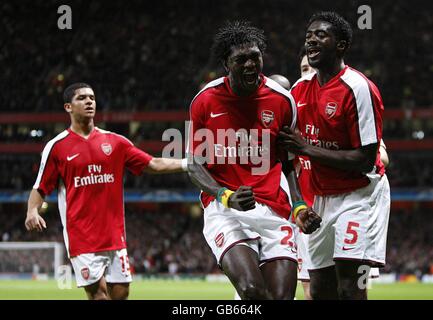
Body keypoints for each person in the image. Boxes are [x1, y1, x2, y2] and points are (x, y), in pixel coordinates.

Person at [186, 21, 321, 300]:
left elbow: (288, 162)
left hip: (274, 209)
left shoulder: (282, 100)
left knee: (281, 297)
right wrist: (226, 196)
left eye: (255, 57)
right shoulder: (205, 101)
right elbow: (194, 164)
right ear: (226, 63)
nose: (250, 65)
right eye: (241, 59)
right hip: (226, 211)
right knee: (252, 291)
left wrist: (298, 206)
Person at [25, 83, 186, 300]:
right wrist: (32, 211)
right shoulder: (57, 147)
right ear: (68, 107)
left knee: (120, 294)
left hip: (114, 235)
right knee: (99, 296)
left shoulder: (115, 142)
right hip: (81, 237)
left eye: (91, 97)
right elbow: (40, 187)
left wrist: (188, 164)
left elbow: (154, 164)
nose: (89, 101)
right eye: (81, 98)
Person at [278, 12, 391, 300]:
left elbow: (365, 160)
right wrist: (299, 205)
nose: (311, 40)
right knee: (320, 289)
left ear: (341, 45)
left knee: (351, 286)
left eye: (320, 35)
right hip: (320, 197)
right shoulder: (298, 90)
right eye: (308, 36)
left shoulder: (359, 88)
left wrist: (306, 148)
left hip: (360, 194)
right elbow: (286, 156)